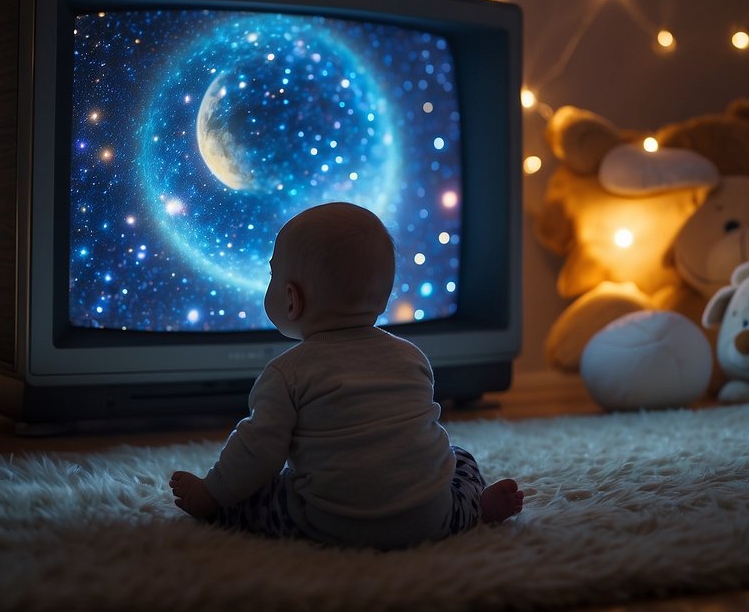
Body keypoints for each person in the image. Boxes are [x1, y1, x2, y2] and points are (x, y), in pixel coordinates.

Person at [169, 201, 523, 549]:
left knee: (255, 493)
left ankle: (215, 509)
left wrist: (213, 491)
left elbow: (256, 452)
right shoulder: (412, 357)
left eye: (272, 275)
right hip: (433, 519)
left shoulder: (286, 373)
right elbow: (419, 438)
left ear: (292, 300)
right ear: (382, 299)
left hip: (327, 523)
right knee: (459, 457)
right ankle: (475, 508)